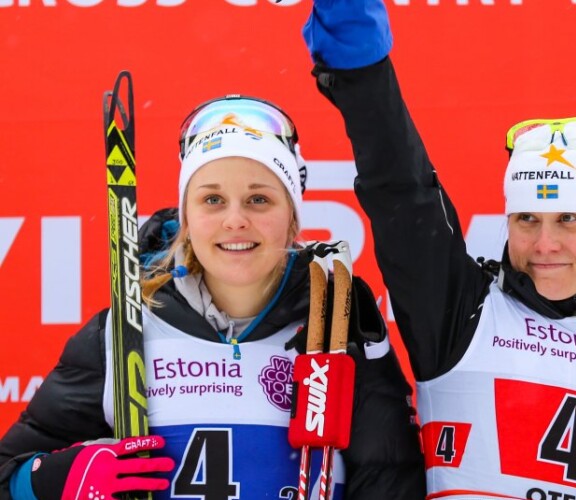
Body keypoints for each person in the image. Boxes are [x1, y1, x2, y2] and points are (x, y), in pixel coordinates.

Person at [300, 1, 576, 499]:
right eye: (526, 219)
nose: (544, 244)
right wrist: (358, 56)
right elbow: (401, 190)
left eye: (569, 219)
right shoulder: (463, 312)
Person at [0, 95, 426, 499]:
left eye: (258, 199)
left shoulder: (337, 325)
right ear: (187, 216)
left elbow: (391, 480)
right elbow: (6, 474)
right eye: (213, 199)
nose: (235, 220)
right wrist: (49, 480)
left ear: (292, 217)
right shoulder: (124, 331)